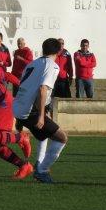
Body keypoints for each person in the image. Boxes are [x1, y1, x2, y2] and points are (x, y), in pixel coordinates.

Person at [13, 38, 68, 183]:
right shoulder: (53, 66)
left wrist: (19, 118)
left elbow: (22, 86)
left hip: (19, 108)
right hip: (31, 110)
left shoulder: (32, 64)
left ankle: (38, 162)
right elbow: (43, 89)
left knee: (43, 136)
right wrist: (42, 116)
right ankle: (42, 171)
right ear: (59, 51)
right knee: (62, 138)